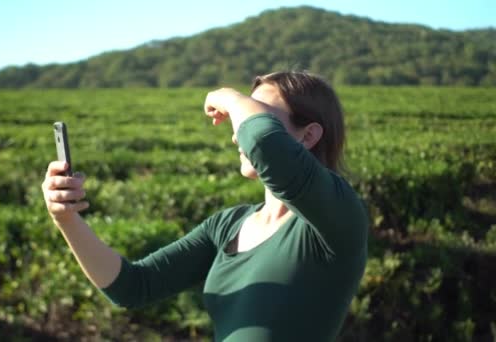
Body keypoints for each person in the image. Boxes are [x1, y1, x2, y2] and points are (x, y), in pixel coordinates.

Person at [42, 71, 368, 341]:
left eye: (257, 116)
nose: (237, 136)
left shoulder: (336, 217)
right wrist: (65, 218)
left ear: (308, 135)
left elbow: (264, 144)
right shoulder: (227, 226)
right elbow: (133, 286)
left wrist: (229, 96)